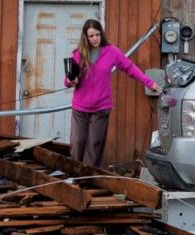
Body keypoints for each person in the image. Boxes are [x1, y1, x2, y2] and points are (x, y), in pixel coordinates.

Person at [63, 19, 160, 167]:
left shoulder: (111, 52)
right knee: (77, 144)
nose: (95, 38)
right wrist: (71, 81)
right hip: (80, 108)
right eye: (91, 36)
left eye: (97, 34)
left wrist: (149, 83)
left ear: (101, 34)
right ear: (85, 37)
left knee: (94, 147)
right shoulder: (78, 54)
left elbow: (130, 68)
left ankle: (87, 180)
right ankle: (74, 177)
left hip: (101, 108)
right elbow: (67, 80)